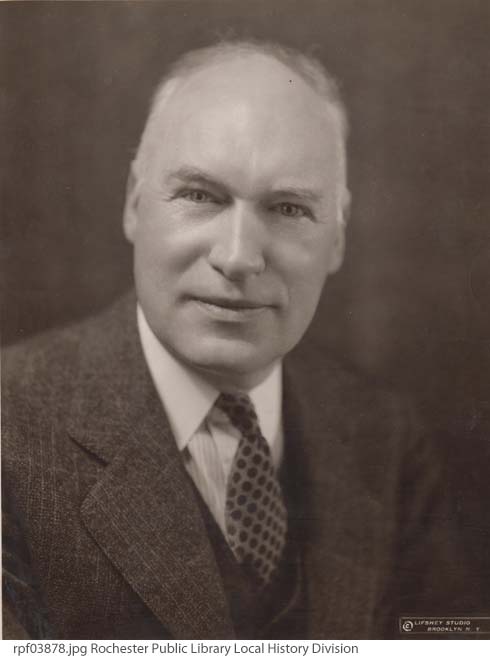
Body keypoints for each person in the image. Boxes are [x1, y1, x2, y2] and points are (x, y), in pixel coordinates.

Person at [2, 39, 466, 640]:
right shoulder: (10, 429)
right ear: (135, 204)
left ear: (338, 237)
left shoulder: (386, 439)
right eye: (200, 196)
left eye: (289, 208)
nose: (240, 256)